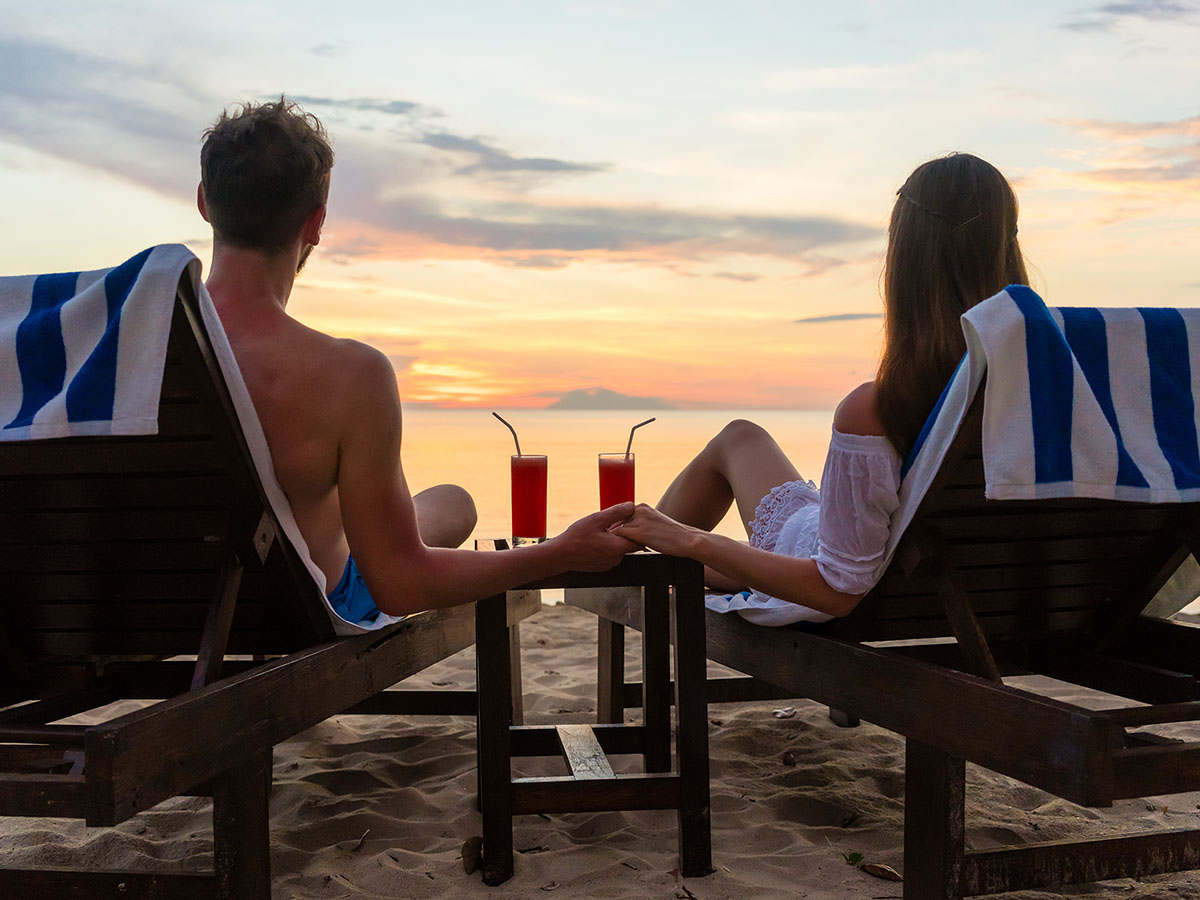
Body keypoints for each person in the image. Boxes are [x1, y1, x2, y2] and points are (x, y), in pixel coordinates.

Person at [198, 97, 636, 621]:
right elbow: (401, 587)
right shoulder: (350, 375)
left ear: (204, 202)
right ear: (315, 223)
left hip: (164, 609)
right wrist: (558, 553)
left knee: (450, 501)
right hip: (293, 607)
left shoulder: (136, 353)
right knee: (444, 506)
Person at [612, 153, 1030, 619]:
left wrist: (690, 541)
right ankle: (653, 548)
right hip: (993, 592)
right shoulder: (1049, 397)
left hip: (842, 577)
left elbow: (837, 587)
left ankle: (629, 558)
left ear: (904, 262)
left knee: (735, 440)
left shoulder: (876, 408)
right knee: (741, 435)